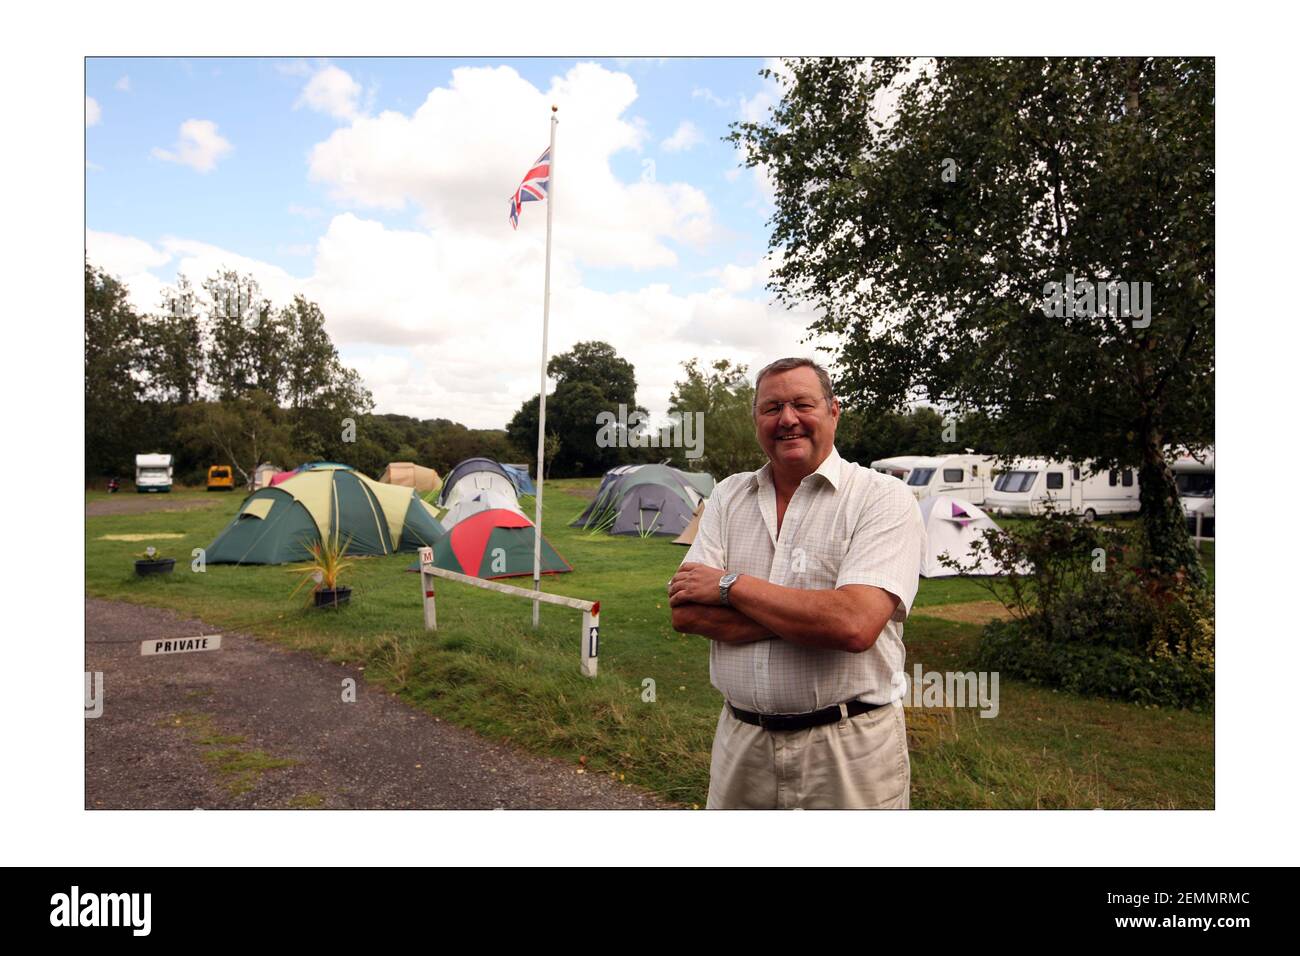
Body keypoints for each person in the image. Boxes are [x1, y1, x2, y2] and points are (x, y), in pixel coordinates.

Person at [668, 357, 925, 809]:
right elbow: (686, 612)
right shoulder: (729, 495)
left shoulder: (882, 497)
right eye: (771, 408)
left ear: (833, 412)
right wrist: (814, 615)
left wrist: (730, 587)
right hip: (741, 746)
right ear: (756, 421)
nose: (787, 419)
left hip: (848, 752)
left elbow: (854, 627)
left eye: (802, 404)